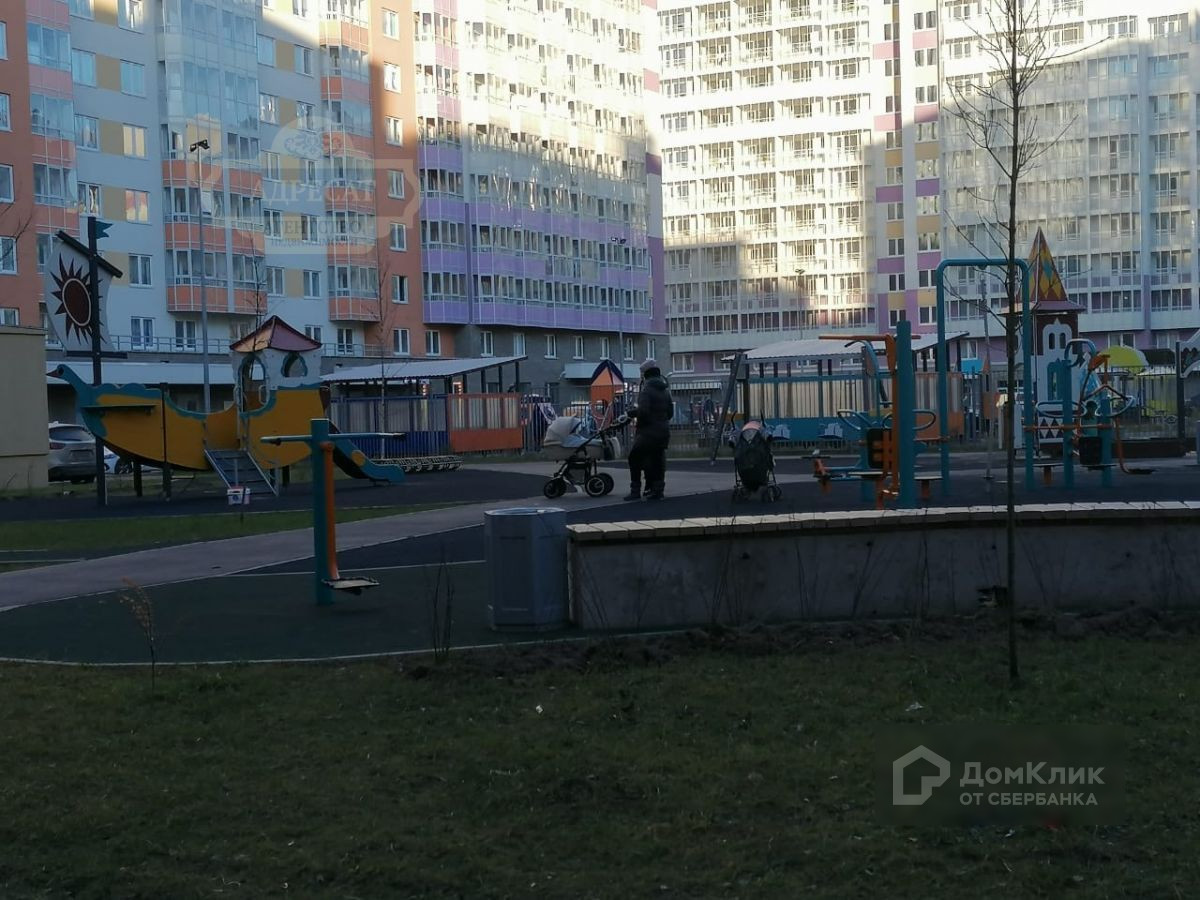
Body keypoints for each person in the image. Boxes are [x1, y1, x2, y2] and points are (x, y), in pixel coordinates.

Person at [624, 358, 674, 501]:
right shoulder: (665, 390)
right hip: (663, 431)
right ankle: (657, 491)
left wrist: (631, 413)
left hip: (647, 432)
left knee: (634, 458)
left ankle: (635, 491)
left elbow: (644, 412)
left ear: (645, 374)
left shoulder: (646, 390)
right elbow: (670, 413)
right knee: (657, 460)